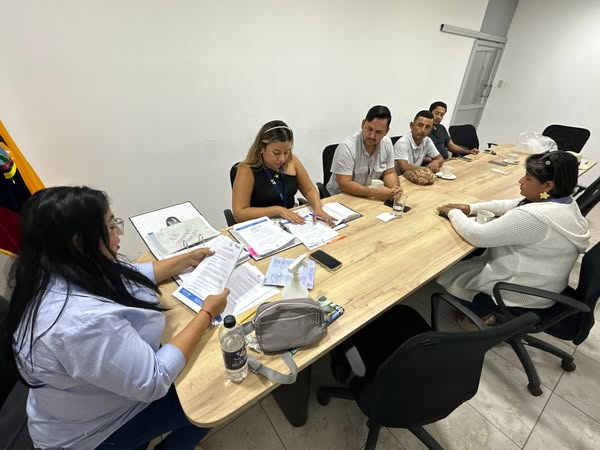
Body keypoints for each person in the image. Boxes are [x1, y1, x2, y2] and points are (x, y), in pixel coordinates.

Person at [5, 186, 230, 450]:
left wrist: (187, 259)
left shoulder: (60, 266)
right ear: (79, 241)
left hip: (96, 397)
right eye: (111, 226)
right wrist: (206, 313)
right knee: (213, 398)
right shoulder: (78, 322)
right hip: (94, 432)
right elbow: (154, 380)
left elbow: (131, 274)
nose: (119, 233)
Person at [436, 151, 590, 323]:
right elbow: (509, 205)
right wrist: (470, 208)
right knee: (468, 262)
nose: (521, 181)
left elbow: (478, 236)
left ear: (547, 185)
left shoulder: (536, 217)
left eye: (528, 179)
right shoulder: (563, 201)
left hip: (523, 292)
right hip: (546, 285)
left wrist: (453, 213)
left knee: (447, 273)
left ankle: (483, 315)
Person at [232, 120, 335, 225]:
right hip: (262, 225)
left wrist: (318, 208)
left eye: (286, 152)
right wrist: (278, 210)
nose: (282, 158)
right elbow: (239, 214)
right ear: (261, 148)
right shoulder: (246, 170)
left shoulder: (292, 160)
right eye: (276, 153)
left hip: (292, 222)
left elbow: (309, 189)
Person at [326, 105, 402, 200]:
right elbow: (345, 184)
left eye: (378, 132)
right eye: (369, 129)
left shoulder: (387, 144)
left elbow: (389, 173)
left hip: (366, 197)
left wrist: (394, 189)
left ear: (386, 131)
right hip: (340, 198)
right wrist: (374, 193)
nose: (372, 136)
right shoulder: (347, 147)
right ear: (362, 124)